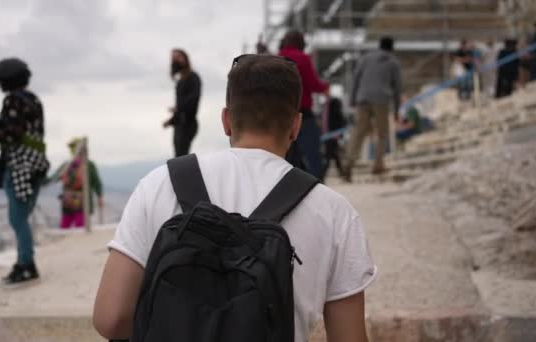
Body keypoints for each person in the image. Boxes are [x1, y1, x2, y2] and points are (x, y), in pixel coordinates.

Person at [94, 55, 376, 341]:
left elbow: (111, 319)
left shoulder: (158, 184)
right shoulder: (334, 211)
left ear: (226, 120)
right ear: (295, 126)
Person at [0, 58, 49, 285]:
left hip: (18, 166)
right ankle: (25, 262)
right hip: (36, 164)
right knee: (21, 217)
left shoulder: (13, 100)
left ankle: (26, 265)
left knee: (17, 219)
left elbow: (11, 134)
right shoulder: (34, 100)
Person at [342, 36, 401, 182]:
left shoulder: (366, 58)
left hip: (362, 98)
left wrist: (352, 99)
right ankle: (378, 164)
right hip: (381, 99)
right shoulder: (393, 62)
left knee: (358, 131)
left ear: (379, 46)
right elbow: (397, 88)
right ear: (392, 48)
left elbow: (356, 78)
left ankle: (348, 164)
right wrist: (397, 110)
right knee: (382, 133)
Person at [279, 30, 329, 179]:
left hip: (280, 115)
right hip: (302, 113)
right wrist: (325, 87)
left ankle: (287, 188)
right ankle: (316, 187)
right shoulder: (303, 58)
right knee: (313, 154)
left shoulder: (275, 58)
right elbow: (314, 84)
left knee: (287, 156)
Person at [48, 138, 104, 229]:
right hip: (73, 202)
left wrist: (100, 195)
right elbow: (55, 177)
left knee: (76, 226)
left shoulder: (85, 165)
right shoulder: (72, 165)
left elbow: (55, 177)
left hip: (75, 202)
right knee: (70, 226)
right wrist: (100, 196)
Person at [163, 49, 202, 157]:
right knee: (178, 156)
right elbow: (179, 107)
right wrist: (170, 121)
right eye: (173, 58)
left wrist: (178, 107)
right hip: (179, 124)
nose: (175, 60)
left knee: (181, 156)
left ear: (185, 58)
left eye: (178, 57)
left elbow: (194, 98)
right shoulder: (180, 81)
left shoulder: (194, 78)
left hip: (188, 124)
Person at [321, 97, 347, 179]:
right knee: (334, 155)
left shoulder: (333, 104)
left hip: (331, 136)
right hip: (329, 136)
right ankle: (343, 173)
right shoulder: (327, 106)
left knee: (328, 156)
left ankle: (321, 175)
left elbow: (339, 118)